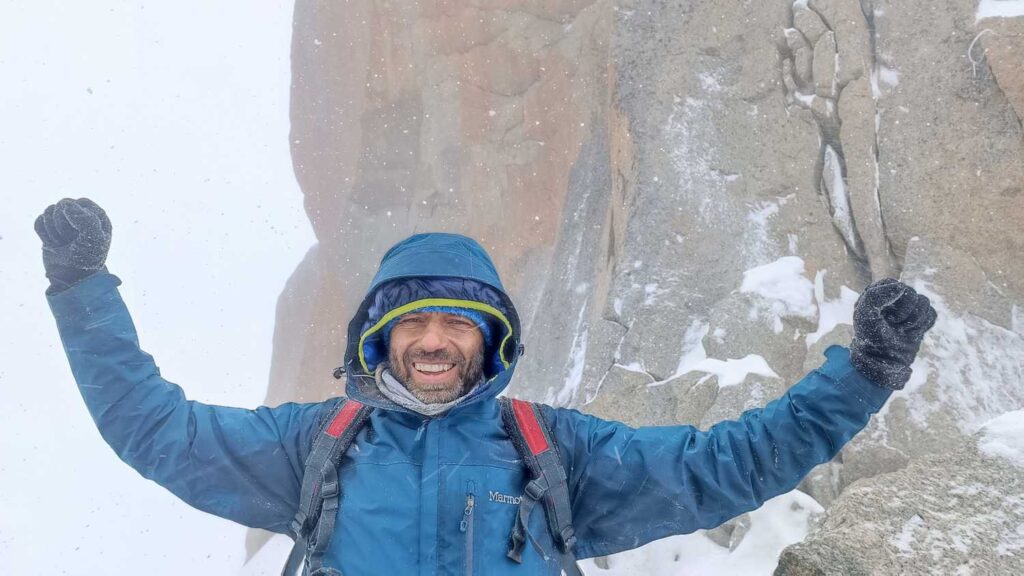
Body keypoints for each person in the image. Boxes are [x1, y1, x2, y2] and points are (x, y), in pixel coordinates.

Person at [37, 197, 936, 575]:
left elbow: (721, 469)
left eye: (457, 324)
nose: (433, 342)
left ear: (489, 340)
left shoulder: (548, 449)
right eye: (413, 324)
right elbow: (153, 430)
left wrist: (860, 375)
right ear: (380, 339)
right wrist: (82, 290)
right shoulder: (314, 446)